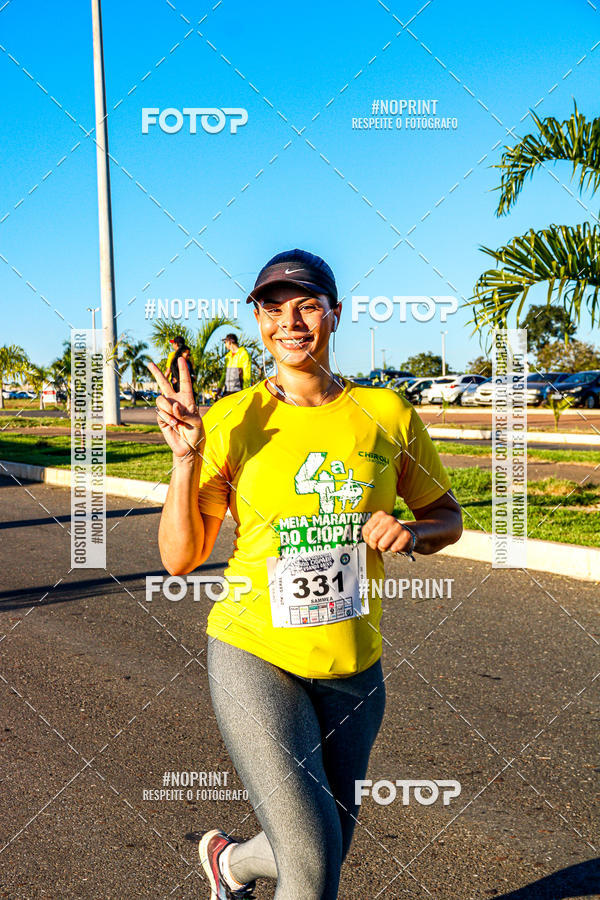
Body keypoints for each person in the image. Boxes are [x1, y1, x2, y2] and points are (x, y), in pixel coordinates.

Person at [147, 248, 463, 900]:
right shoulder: (231, 420)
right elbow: (180, 558)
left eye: (307, 306)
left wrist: (412, 533)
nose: (289, 322)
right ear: (258, 320)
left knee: (327, 841)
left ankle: (229, 866)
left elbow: (446, 516)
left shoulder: (387, 414)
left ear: (335, 314)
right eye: (272, 308)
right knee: (313, 864)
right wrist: (185, 460)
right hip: (255, 650)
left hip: (355, 666)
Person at [217, 333, 252, 398]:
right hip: (228, 390)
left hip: (239, 390)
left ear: (229, 342)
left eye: (225, 342)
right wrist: (219, 387)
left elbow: (247, 373)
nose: (225, 344)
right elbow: (224, 373)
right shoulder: (228, 356)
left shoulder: (243, 353)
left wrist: (245, 390)